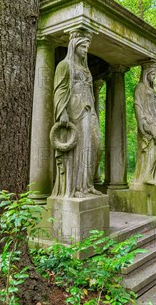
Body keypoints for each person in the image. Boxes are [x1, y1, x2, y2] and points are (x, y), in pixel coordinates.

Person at [51, 31, 102, 198]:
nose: (86, 50)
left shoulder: (86, 69)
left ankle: (88, 185)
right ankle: (76, 187)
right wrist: (62, 112)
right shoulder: (65, 65)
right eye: (83, 46)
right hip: (74, 111)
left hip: (89, 110)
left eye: (87, 47)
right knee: (79, 148)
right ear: (74, 46)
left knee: (95, 144)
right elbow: (59, 91)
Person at [133, 61, 156, 183]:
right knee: (151, 148)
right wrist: (142, 121)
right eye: (152, 74)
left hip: (155, 121)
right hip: (147, 122)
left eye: (155, 75)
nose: (154, 77)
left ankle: (153, 176)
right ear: (146, 73)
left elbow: (154, 106)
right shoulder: (140, 87)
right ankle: (146, 176)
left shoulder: (151, 89)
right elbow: (137, 104)